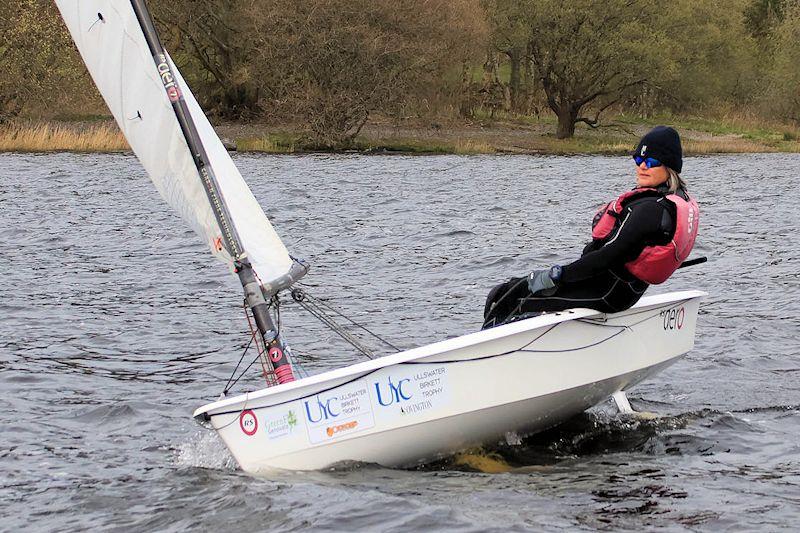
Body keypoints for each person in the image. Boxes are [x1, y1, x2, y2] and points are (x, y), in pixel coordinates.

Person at [483, 126, 700, 329]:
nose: (642, 166)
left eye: (651, 161)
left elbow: (607, 256)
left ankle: (485, 357)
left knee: (514, 299)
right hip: (614, 288)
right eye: (638, 158)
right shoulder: (665, 200)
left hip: (607, 292)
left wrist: (558, 274)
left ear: (669, 167)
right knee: (506, 288)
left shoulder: (649, 210)